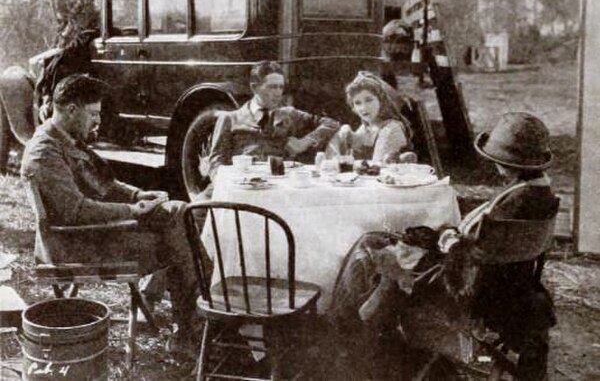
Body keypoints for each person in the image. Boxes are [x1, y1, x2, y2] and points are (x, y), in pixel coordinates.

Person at [330, 112, 559, 380]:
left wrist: (450, 240)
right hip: (510, 285)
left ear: (511, 164)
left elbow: (471, 261)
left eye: (500, 163)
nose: (498, 168)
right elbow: (488, 247)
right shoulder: (541, 195)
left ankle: (353, 330)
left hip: (471, 291)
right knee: (383, 240)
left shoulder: (516, 204)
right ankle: (368, 322)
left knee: (370, 246)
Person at [21, 74, 200, 359]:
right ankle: (196, 327)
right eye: (93, 114)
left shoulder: (63, 138)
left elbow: (103, 184)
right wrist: (131, 212)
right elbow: (76, 212)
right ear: (71, 110)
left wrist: (136, 195)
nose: (98, 121)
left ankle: (193, 327)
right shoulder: (45, 153)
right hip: (73, 247)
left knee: (181, 215)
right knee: (180, 237)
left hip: (92, 235)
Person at [207, 60, 339, 180]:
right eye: (272, 87)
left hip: (278, 184)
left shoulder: (289, 114)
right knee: (195, 206)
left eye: (281, 87)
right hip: (240, 184)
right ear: (254, 88)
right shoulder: (230, 119)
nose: (278, 93)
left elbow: (331, 124)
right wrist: (225, 182)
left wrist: (304, 142)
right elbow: (215, 161)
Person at [326, 71, 415, 164]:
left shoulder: (391, 128)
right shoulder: (366, 127)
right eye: (357, 103)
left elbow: (377, 167)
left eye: (369, 100)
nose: (363, 108)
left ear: (381, 101)